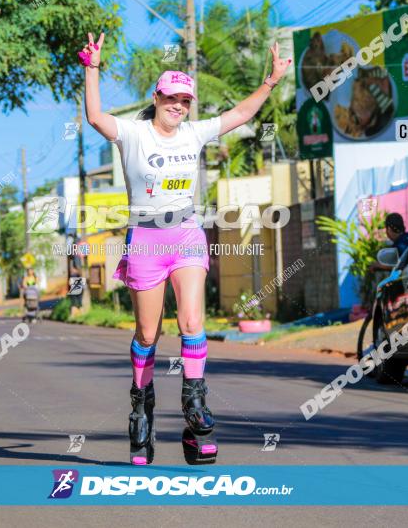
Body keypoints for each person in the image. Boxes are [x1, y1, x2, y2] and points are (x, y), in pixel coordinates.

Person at [82, 31, 292, 464]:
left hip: (186, 235)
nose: (179, 106)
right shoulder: (133, 133)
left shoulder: (194, 134)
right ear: (156, 98)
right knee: (147, 333)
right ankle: (141, 410)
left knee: (193, 321)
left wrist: (270, 82)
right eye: (171, 98)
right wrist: (92, 67)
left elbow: (241, 112)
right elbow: (95, 117)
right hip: (144, 239)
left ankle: (194, 410)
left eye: (185, 100)